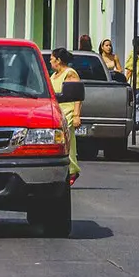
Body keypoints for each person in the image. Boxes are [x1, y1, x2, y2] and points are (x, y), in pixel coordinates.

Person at [47, 46, 82, 186]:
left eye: (51, 59)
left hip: (67, 111)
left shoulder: (70, 73)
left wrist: (76, 114)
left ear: (58, 60)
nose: (50, 62)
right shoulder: (54, 75)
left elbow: (77, 94)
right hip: (56, 112)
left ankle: (72, 170)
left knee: (67, 142)